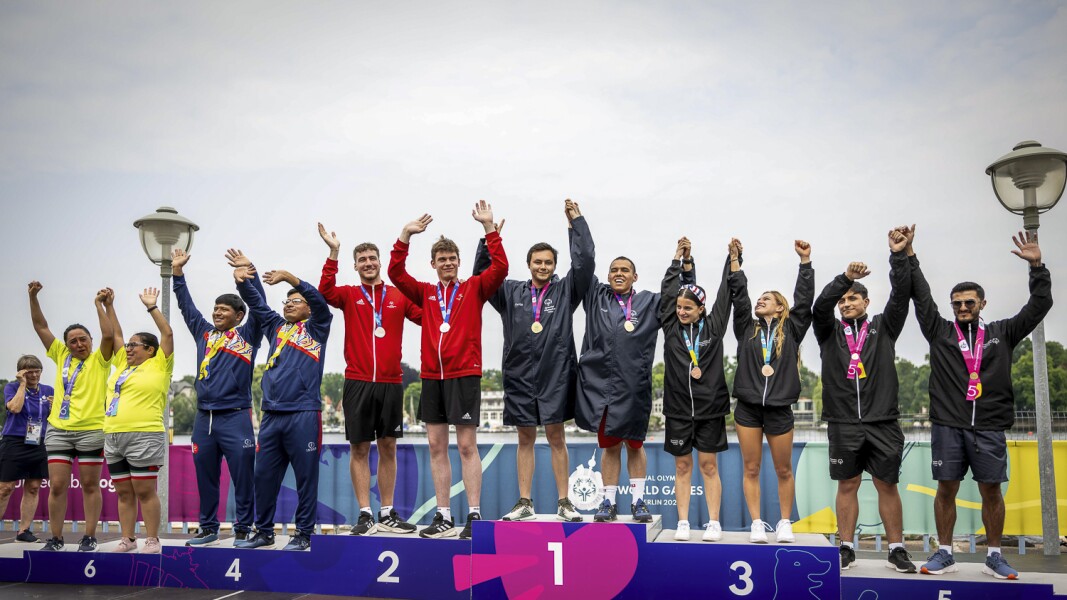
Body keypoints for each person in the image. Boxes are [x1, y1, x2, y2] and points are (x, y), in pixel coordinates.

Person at [908, 228, 1052, 580]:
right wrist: (910, 255)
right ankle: (945, 553)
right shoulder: (940, 332)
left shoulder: (1002, 333)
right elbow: (921, 297)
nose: (962, 308)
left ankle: (994, 556)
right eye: (956, 303)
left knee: (991, 490)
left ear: (982, 304)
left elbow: (1039, 306)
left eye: (969, 302)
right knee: (946, 488)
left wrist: (1037, 268)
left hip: (988, 426)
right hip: (948, 425)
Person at [388, 201, 508, 539]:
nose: (448, 263)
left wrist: (489, 229)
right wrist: (405, 235)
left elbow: (500, 267)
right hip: (432, 378)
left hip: (464, 375)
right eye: (442, 259)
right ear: (434, 264)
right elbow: (396, 274)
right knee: (436, 446)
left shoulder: (474, 288)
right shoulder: (425, 293)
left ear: (458, 261)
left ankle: (474, 514)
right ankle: (443, 515)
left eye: (452, 258)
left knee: (467, 446)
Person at [471, 199, 593, 523]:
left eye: (548, 262)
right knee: (524, 438)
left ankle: (564, 502)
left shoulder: (566, 291)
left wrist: (577, 225)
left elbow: (584, 264)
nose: (543, 267)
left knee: (556, 437)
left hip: (556, 375)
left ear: (554, 265)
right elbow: (481, 277)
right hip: (520, 375)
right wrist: (488, 236)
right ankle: (525, 501)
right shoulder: (510, 292)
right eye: (538, 262)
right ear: (528, 264)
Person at [812, 229, 916, 573]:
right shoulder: (829, 331)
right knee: (848, 484)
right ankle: (845, 547)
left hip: (882, 420)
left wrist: (898, 256)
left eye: (853, 298)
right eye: (843, 300)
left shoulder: (884, 327)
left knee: (887, 484)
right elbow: (819, 306)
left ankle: (897, 549)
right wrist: (844, 279)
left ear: (866, 302)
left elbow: (901, 296)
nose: (846, 304)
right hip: (843, 422)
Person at [575, 239, 696, 524]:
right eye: (614, 270)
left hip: (634, 388)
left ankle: (638, 501)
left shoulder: (650, 302)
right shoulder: (596, 296)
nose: (619, 273)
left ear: (635, 276)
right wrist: (575, 227)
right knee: (610, 447)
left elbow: (682, 295)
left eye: (625, 270)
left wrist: (684, 263)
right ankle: (608, 502)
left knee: (634, 446)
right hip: (601, 389)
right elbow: (583, 264)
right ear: (607, 276)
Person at [318, 225, 422, 537]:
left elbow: (427, 316)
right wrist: (333, 253)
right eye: (362, 259)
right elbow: (325, 291)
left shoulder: (398, 295)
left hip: (391, 382)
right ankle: (365, 514)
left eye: (372, 258)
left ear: (379, 262)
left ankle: (387, 512)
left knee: (388, 446)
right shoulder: (349, 295)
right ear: (355, 265)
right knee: (360, 448)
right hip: (358, 381)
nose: (368, 263)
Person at [233, 260, 332, 551]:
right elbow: (257, 305)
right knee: (263, 477)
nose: (288, 304)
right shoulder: (276, 328)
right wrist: (242, 282)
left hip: (303, 413)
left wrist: (290, 278)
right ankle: (263, 531)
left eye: (295, 301)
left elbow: (320, 302)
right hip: (271, 416)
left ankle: (303, 534)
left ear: (308, 308)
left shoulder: (317, 327)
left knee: (305, 480)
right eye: (286, 301)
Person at [172, 248, 264, 546]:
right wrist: (177, 274)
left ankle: (243, 528)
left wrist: (249, 275)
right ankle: (208, 528)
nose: (217, 313)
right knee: (206, 478)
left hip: (235, 417)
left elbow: (260, 306)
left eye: (224, 310)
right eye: (215, 309)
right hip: (204, 419)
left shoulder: (248, 335)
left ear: (239, 316)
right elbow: (187, 307)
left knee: (242, 478)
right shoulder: (204, 333)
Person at [729, 239, 814, 544]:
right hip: (748, 409)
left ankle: (785, 523)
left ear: (780, 306)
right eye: (759, 298)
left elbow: (804, 300)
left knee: (783, 469)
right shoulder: (746, 328)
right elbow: (739, 296)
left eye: (766, 298)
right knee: (751, 468)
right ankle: (756, 524)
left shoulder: (792, 328)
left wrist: (805, 262)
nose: (759, 301)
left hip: (779, 409)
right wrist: (735, 259)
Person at [28, 282, 116, 552]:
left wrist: (99, 305)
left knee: (90, 484)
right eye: (73, 341)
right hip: (58, 430)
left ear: (91, 341)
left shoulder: (100, 359)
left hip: (91, 430)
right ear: (66, 345)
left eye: (83, 339)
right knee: (57, 485)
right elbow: (41, 327)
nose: (79, 344)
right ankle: (56, 538)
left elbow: (109, 334)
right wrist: (32, 297)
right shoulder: (61, 355)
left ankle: (89, 537)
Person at [659, 237, 730, 542]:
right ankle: (684, 522)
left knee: (709, 465)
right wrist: (678, 259)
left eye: (688, 307)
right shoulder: (670, 326)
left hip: (709, 409)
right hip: (678, 410)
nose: (682, 311)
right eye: (679, 307)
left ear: (701, 309)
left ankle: (714, 522)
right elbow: (668, 291)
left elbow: (726, 293)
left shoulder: (714, 326)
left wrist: (733, 259)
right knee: (682, 466)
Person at [104, 287, 174, 554]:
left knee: (144, 490)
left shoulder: (159, 364)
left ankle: (152, 539)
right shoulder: (123, 365)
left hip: (144, 434)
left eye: (134, 345)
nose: (127, 348)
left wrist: (151, 307)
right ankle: (128, 538)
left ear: (150, 350)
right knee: (123, 492)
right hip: (113, 434)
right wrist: (110, 306)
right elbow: (116, 335)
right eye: (128, 345)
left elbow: (168, 334)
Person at [0, 355, 53, 543]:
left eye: (37, 371)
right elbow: (14, 408)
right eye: (29, 372)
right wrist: (22, 385)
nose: (34, 375)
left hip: (38, 441)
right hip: (14, 441)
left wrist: (54, 408)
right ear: (21, 373)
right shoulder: (12, 387)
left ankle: (23, 531)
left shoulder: (48, 391)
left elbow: (57, 417)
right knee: (5, 488)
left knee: (33, 487)